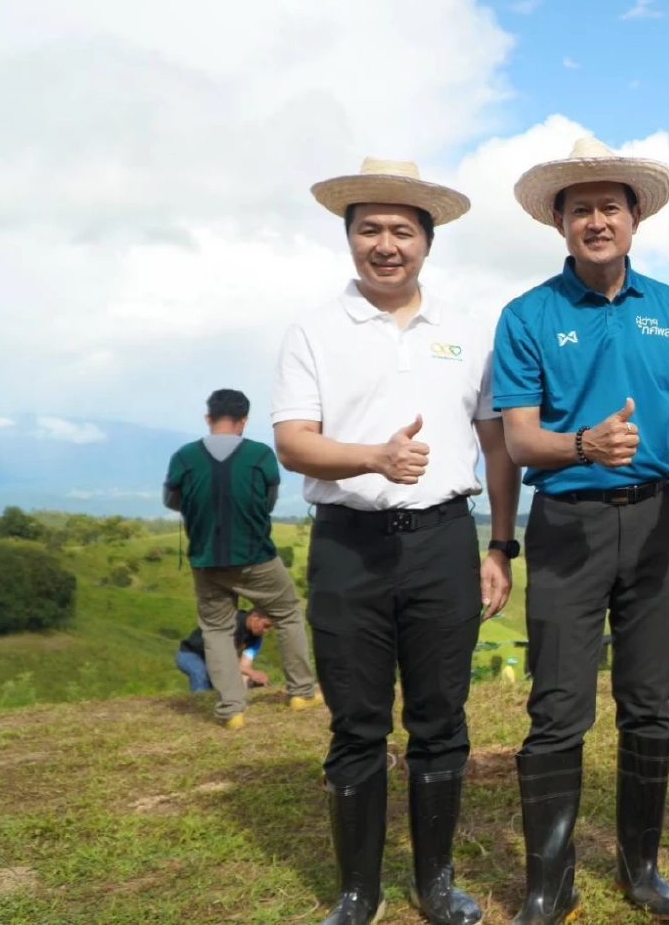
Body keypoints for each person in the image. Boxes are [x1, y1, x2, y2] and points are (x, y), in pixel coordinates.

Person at [272, 158, 521, 925]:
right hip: (348, 545)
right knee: (356, 719)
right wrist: (373, 458)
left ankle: (436, 882)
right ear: (349, 237)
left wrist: (500, 545)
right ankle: (357, 892)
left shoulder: (465, 333)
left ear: (428, 242)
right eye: (371, 229)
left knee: (441, 716)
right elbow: (292, 443)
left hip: (444, 541)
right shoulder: (315, 331)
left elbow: (496, 446)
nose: (387, 244)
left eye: (403, 231)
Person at [494, 137, 669, 924]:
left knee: (650, 701)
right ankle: (549, 884)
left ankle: (641, 867)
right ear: (559, 222)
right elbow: (520, 440)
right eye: (581, 209)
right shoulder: (527, 315)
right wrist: (585, 445)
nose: (596, 221)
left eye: (610, 207)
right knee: (558, 705)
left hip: (662, 519)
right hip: (568, 524)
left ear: (635, 218)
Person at [163, 388, 318, 730]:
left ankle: (231, 710)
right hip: (255, 556)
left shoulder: (184, 457)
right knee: (288, 613)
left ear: (208, 418)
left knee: (216, 630)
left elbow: (173, 500)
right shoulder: (260, 455)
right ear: (244, 420)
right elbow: (268, 501)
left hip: (205, 559)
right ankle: (301, 692)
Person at [174, 606, 273, 692]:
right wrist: (253, 673)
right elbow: (225, 661)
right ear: (254, 616)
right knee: (200, 674)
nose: (266, 631)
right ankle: (199, 705)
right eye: (265, 626)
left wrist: (250, 682)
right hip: (190, 653)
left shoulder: (256, 639)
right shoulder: (230, 624)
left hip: (214, 660)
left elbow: (244, 666)